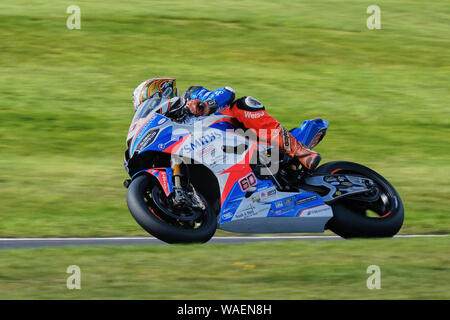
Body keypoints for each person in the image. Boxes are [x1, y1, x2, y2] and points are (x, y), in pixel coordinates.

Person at [132, 78, 321, 170]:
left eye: (152, 103)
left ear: (163, 94)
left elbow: (227, 91)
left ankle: (301, 151)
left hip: (240, 135)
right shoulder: (167, 131)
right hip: (217, 158)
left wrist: (205, 105)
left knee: (243, 104)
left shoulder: (191, 96)